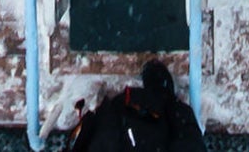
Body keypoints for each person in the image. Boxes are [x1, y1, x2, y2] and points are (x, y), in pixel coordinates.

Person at [70, 59, 206, 150]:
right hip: (146, 119)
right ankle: (160, 92)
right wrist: (169, 103)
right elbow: (190, 140)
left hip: (116, 122)